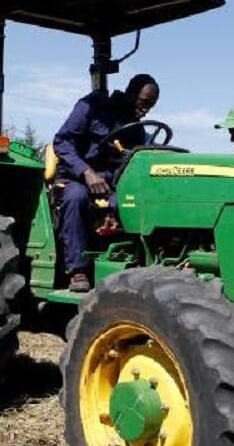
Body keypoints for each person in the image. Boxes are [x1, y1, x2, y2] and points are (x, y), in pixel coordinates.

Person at [53, 74, 160, 292]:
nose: (146, 110)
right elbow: (62, 142)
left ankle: (140, 265)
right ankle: (77, 271)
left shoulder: (136, 128)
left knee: (136, 202)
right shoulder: (92, 107)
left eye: (151, 106)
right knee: (76, 197)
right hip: (76, 179)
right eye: (144, 102)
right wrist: (86, 172)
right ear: (131, 93)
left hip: (110, 186)